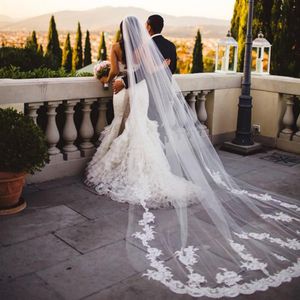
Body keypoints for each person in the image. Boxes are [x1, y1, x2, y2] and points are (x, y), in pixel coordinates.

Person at [85, 16, 300, 298]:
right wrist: (142, 73)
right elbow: (154, 72)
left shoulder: (124, 48)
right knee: (140, 131)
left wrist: (115, 77)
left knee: (136, 130)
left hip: (134, 92)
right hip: (142, 93)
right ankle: (142, 168)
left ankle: (136, 170)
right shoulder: (143, 49)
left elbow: (135, 74)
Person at [112, 14, 177, 94]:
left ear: (149, 28)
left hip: (149, 93)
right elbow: (172, 69)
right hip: (166, 92)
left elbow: (144, 71)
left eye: (145, 25)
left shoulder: (146, 46)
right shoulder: (171, 46)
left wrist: (124, 82)